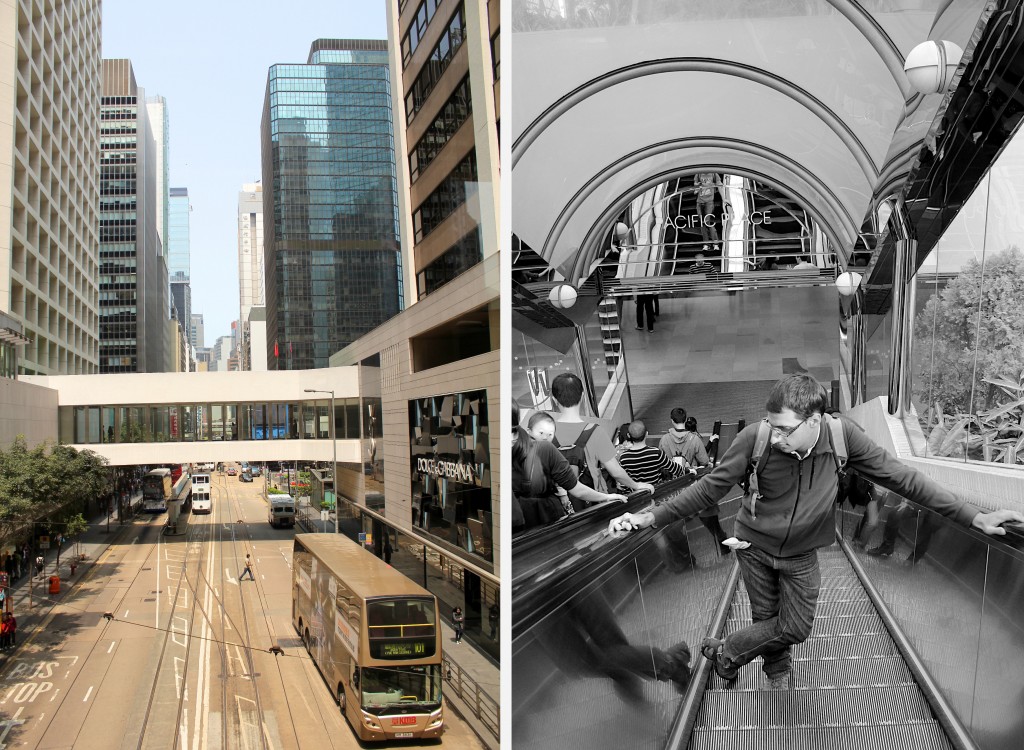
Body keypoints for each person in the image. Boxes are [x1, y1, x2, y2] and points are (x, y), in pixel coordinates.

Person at [608, 373, 1024, 690]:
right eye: (774, 426)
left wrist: (973, 516)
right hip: (752, 543)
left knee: (797, 626)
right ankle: (779, 677)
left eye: (787, 429)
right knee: (765, 617)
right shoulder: (759, 437)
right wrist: (651, 517)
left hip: (804, 551)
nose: (779, 437)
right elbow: (708, 487)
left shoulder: (843, 438)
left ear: (816, 419)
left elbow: (906, 480)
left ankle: (727, 652)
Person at [512, 404, 627, 532]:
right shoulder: (546, 449)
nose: (545, 437)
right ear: (528, 431)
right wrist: (606, 496)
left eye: (550, 434)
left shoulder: (512, 449)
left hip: (519, 516)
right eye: (541, 433)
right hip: (547, 513)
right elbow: (577, 489)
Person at [548, 373, 655, 496]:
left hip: (557, 503)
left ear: (554, 399)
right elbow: (616, 472)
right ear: (583, 396)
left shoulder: (545, 434)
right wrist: (636, 486)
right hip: (593, 498)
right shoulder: (595, 431)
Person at [658, 410, 731, 552]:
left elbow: (662, 466)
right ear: (685, 420)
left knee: (673, 527)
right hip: (696, 490)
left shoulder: (664, 440)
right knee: (712, 524)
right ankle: (723, 548)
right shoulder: (694, 439)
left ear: (672, 421)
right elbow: (704, 462)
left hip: (675, 493)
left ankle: (687, 557)